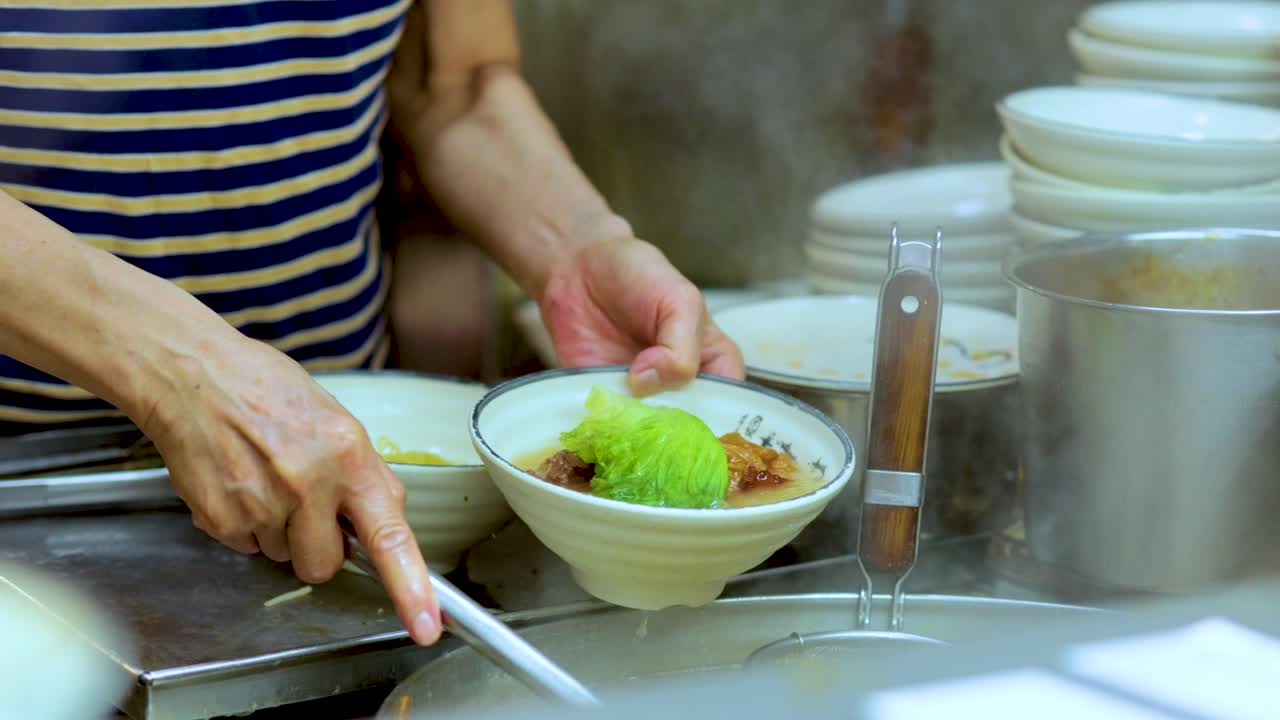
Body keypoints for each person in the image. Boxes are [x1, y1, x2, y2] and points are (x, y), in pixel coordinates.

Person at [0, 1, 743, 645]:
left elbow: (452, 80)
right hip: (26, 481)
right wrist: (169, 365)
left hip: (343, 488)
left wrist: (577, 246)